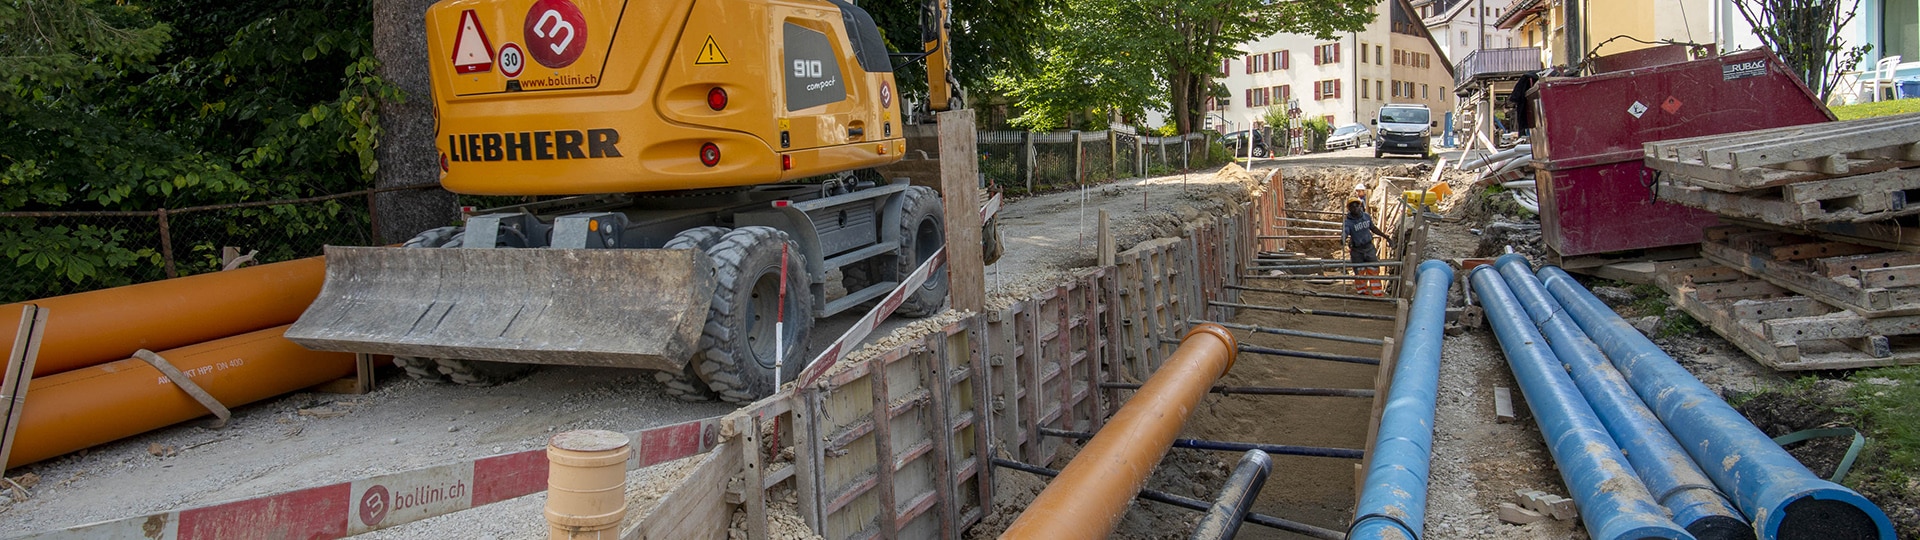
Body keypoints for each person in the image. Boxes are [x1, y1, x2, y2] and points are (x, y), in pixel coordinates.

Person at [1342, 199, 1393, 296]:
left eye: (1357, 205)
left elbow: (1373, 228)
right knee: (1359, 271)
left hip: (1369, 247)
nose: (1355, 208)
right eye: (1352, 206)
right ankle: (1362, 292)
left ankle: (1377, 292)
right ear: (1349, 209)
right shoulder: (1348, 222)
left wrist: (1386, 237)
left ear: (1360, 206)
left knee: (1373, 269)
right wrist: (1343, 238)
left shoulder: (1366, 217)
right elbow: (1346, 231)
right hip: (1357, 250)